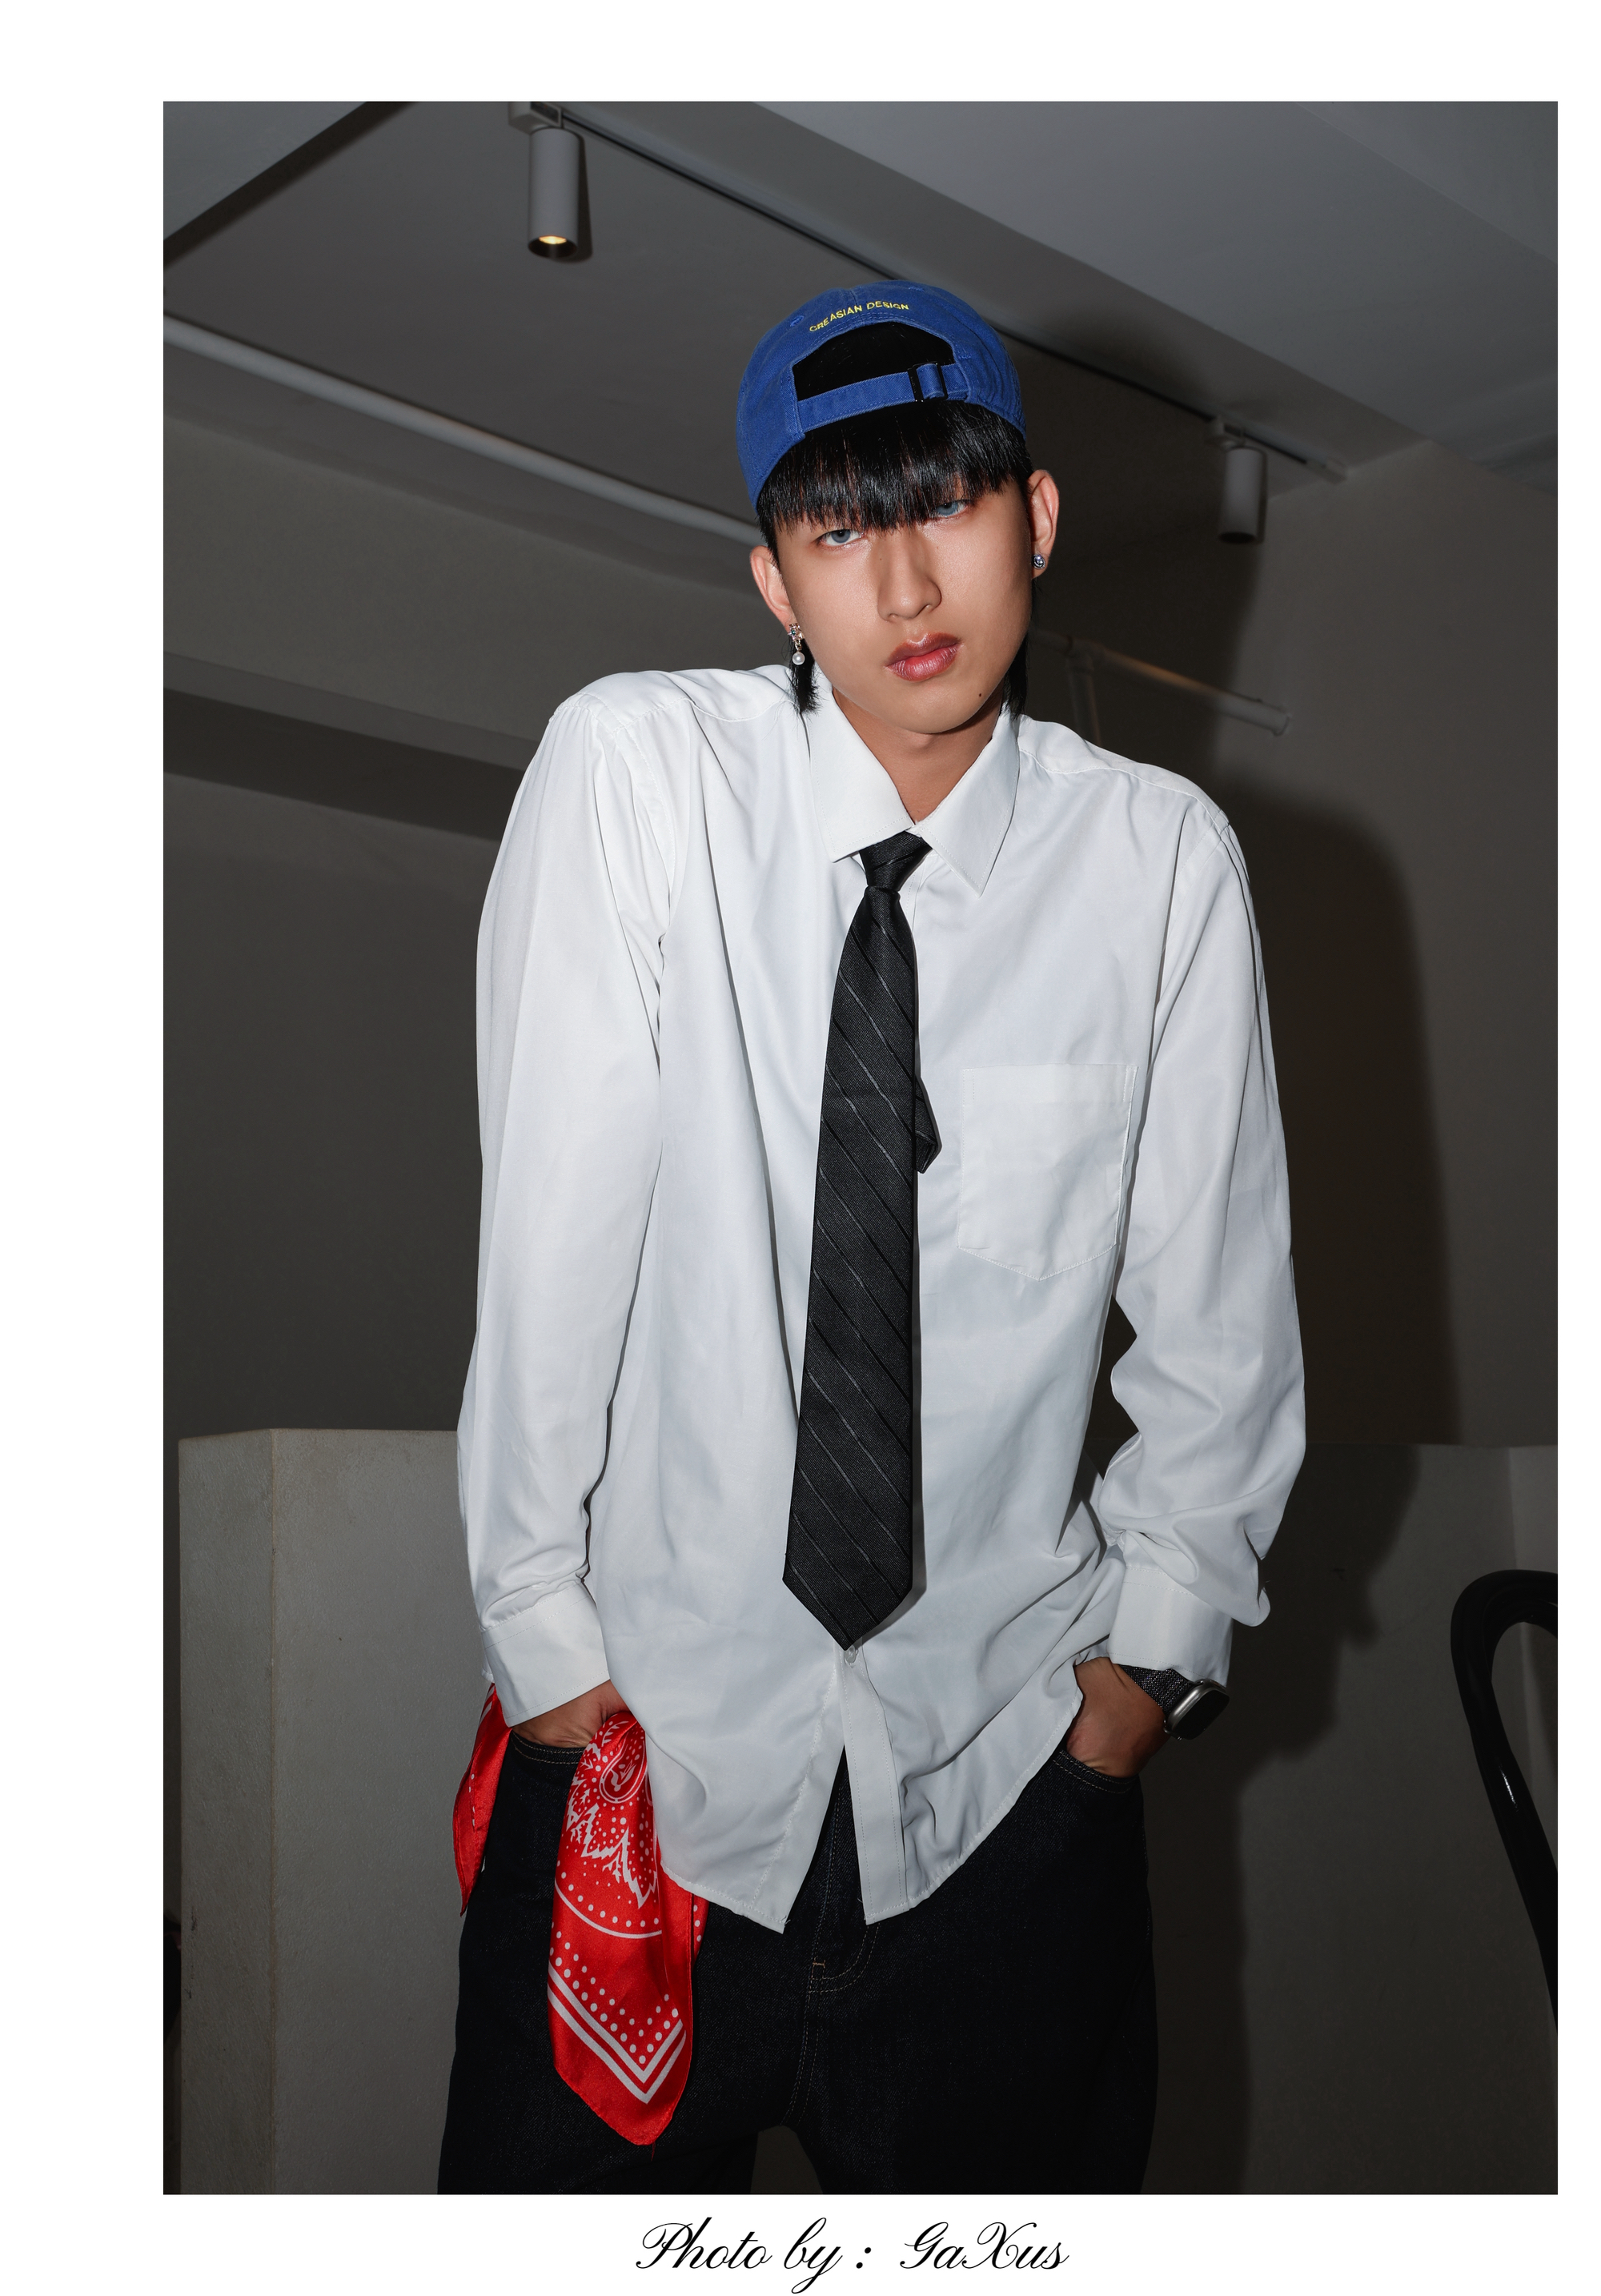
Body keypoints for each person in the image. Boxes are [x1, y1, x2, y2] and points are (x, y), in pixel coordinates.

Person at [437, 281, 1304, 2196]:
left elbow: (1222, 1334)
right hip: (645, 1774)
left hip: (1007, 1803)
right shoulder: (642, 777)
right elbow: (545, 1264)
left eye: (947, 505)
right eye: (839, 530)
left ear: (1036, 519)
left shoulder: (1158, 861)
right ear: (774, 582)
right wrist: (551, 1663)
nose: (905, 583)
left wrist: (1134, 1696)